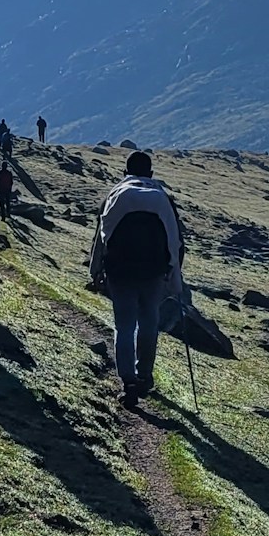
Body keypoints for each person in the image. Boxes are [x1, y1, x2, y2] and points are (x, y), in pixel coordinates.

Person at [88, 149, 188, 408]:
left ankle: (128, 381)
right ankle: (144, 374)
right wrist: (174, 274)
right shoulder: (162, 198)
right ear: (151, 173)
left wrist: (96, 270)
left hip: (120, 272)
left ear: (125, 172)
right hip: (153, 273)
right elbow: (175, 240)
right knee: (149, 323)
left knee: (124, 326)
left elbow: (102, 236)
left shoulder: (116, 195)